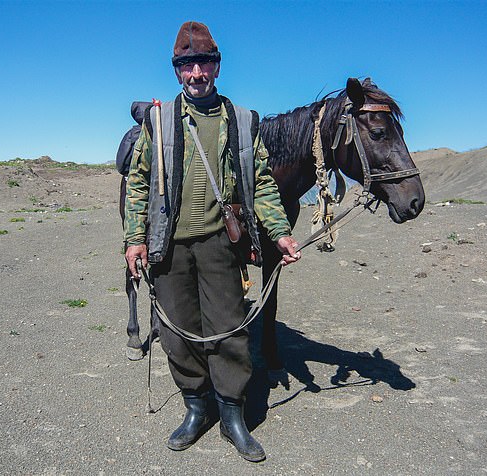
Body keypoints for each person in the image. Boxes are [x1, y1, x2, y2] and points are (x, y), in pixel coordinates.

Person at [123, 21, 300, 463]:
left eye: (204, 63)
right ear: (176, 70)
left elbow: (260, 182)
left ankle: (233, 415)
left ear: (217, 67)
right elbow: (139, 181)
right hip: (169, 247)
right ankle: (195, 408)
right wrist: (134, 239)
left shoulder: (242, 120)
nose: (196, 73)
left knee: (228, 331)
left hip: (221, 244)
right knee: (178, 335)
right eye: (187, 65)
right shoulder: (158, 121)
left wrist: (279, 232)